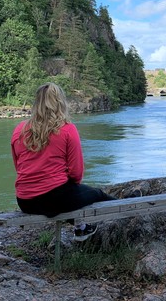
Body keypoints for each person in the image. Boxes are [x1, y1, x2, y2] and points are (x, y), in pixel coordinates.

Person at [11, 82, 116, 239]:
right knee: (96, 194)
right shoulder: (67, 129)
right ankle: (129, 209)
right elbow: (76, 173)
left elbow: (18, 165)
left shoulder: (20, 129)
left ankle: (82, 227)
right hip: (56, 198)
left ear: (36, 103)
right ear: (60, 102)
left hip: (25, 201)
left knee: (66, 199)